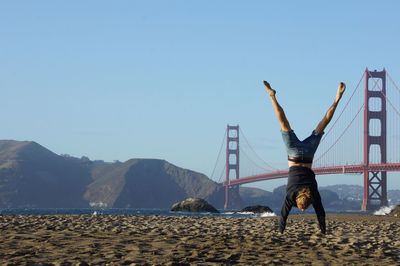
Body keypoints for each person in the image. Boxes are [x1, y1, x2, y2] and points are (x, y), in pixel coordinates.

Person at [263, 80, 346, 234]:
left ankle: (337, 98)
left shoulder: (312, 193)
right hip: (294, 156)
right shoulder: (290, 195)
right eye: (303, 208)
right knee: (283, 123)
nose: (301, 210)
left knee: (323, 124)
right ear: (299, 200)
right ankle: (272, 97)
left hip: (308, 154)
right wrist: (280, 231)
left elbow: (321, 213)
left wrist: (323, 230)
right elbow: (283, 214)